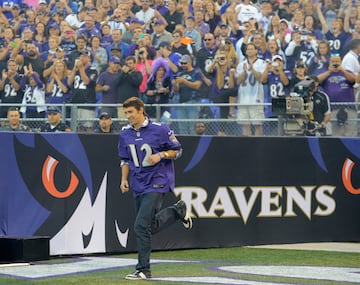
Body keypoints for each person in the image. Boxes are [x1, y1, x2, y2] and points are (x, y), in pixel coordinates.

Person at [118, 96, 192, 280]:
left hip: (158, 181)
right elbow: (125, 159)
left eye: (131, 112)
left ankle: (144, 269)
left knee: (140, 226)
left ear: (141, 109)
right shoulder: (124, 133)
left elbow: (178, 150)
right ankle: (177, 211)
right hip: (138, 182)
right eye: (126, 113)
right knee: (147, 226)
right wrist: (124, 179)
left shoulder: (160, 129)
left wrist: (161, 155)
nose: (128, 116)